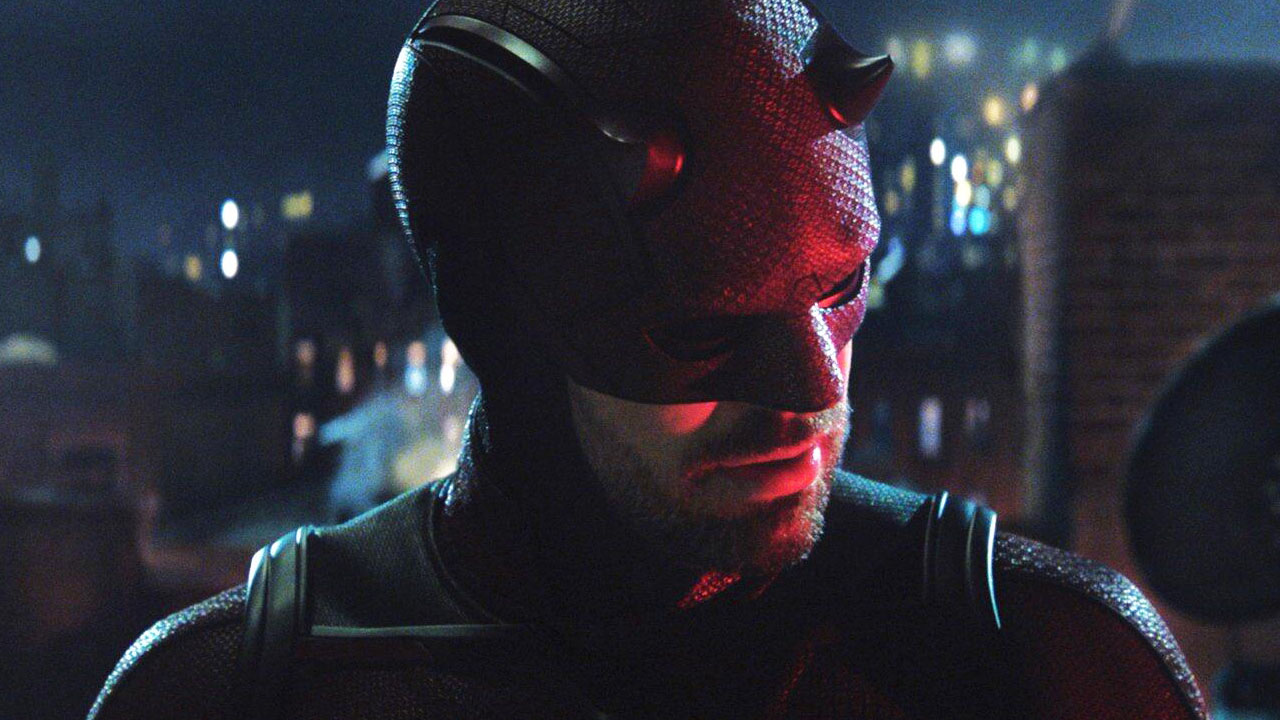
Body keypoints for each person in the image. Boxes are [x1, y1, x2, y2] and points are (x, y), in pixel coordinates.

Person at [88, 0, 1206, 717]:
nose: (812, 391)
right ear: (502, 320)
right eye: (701, 331)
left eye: (838, 292)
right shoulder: (242, 690)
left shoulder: (1044, 664)